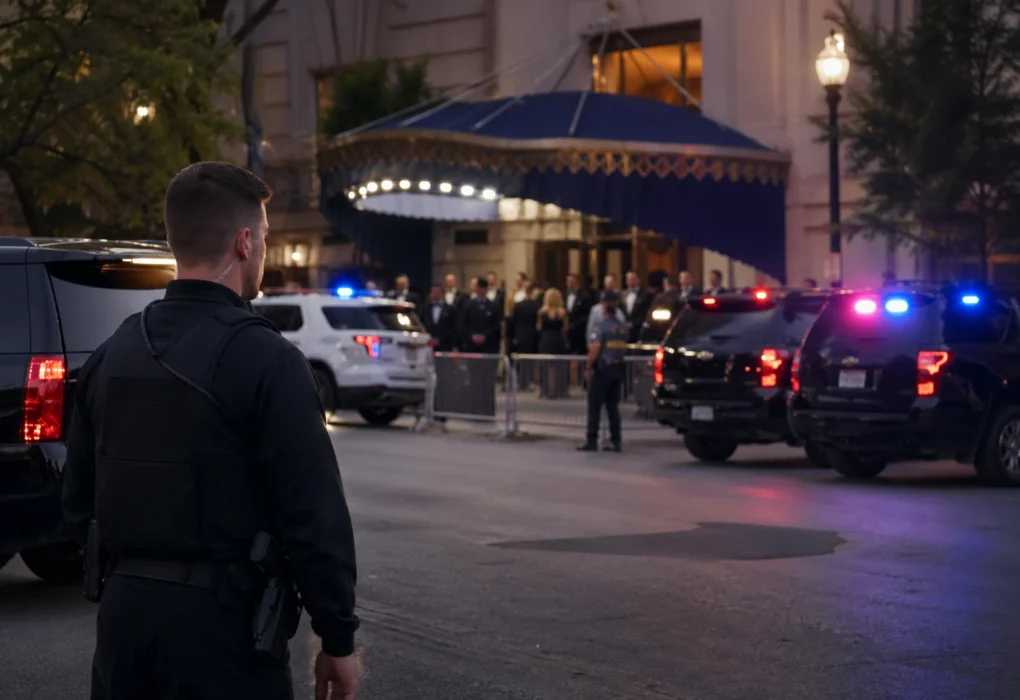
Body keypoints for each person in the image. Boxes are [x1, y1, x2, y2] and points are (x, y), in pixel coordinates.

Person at [60, 162, 360, 700]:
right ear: (245, 242)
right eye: (266, 236)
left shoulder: (112, 353)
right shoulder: (269, 361)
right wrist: (337, 637)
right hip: (225, 634)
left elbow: (77, 501)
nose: (265, 248)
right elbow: (314, 516)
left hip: (123, 627)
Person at [578, 289, 628, 452]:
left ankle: (592, 440)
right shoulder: (621, 327)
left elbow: (596, 347)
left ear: (604, 305)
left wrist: (588, 366)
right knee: (613, 408)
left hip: (603, 369)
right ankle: (616, 441)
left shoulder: (601, 325)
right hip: (618, 368)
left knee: (594, 406)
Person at [506, 284, 541, 389]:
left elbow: (511, 322)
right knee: (529, 361)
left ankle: (521, 381)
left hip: (520, 336)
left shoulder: (518, 306)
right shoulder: (537, 306)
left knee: (520, 361)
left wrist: (512, 336)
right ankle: (528, 381)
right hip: (532, 337)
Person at [537, 287, 570, 399]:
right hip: (558, 339)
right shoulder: (562, 312)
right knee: (560, 365)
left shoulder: (542, 312)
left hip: (546, 339)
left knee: (545, 365)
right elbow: (565, 328)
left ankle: (545, 390)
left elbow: (539, 327)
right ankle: (561, 390)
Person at [461, 277, 501, 353]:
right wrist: (472, 335)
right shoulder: (468, 305)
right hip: (472, 345)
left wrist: (485, 336)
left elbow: (496, 325)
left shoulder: (493, 306)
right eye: (479, 288)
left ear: (486, 290)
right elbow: (464, 323)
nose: (480, 291)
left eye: (482, 289)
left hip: (489, 345)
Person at [586, 274, 626, 344]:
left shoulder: (619, 312)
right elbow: (591, 329)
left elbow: (623, 331)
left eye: (611, 302)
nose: (608, 304)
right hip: (598, 344)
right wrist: (590, 345)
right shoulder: (595, 310)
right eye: (608, 283)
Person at [422, 283, 457, 351]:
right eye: (433, 292)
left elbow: (454, 328)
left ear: (442, 293)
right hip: (427, 344)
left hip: (446, 346)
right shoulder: (425, 309)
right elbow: (422, 324)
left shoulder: (450, 309)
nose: (436, 294)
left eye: (438, 292)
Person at [564, 273, 592, 355]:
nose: (570, 284)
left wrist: (576, 324)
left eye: (572, 281)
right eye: (568, 282)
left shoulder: (585, 296)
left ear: (577, 282)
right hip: (567, 332)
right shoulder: (563, 295)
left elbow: (587, 314)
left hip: (580, 331)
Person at [622, 271, 652, 343]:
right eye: (628, 279)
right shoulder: (623, 294)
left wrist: (633, 323)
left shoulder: (645, 295)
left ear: (638, 280)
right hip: (625, 330)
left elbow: (646, 313)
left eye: (632, 279)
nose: (630, 281)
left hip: (638, 329)